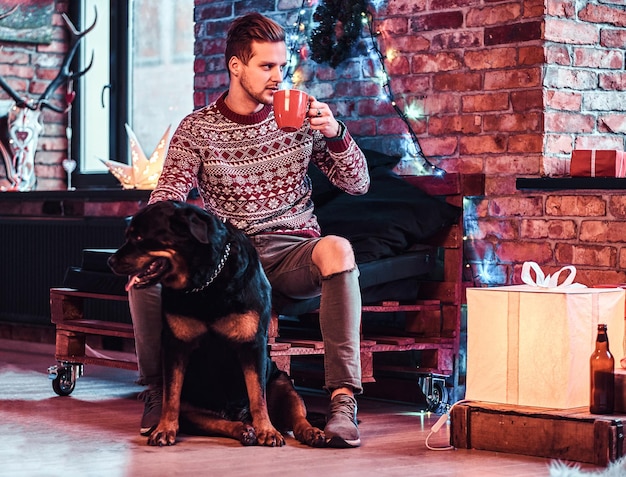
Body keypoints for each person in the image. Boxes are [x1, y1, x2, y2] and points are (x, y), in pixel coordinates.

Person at [128, 11, 369, 448]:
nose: (279, 76)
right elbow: (167, 196)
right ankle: (159, 391)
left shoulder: (304, 118)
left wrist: (335, 133)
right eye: (267, 66)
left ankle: (342, 401)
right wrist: (156, 241)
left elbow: (358, 184)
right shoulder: (197, 128)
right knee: (144, 278)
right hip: (228, 263)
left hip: (291, 253)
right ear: (236, 66)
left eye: (282, 66)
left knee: (338, 249)